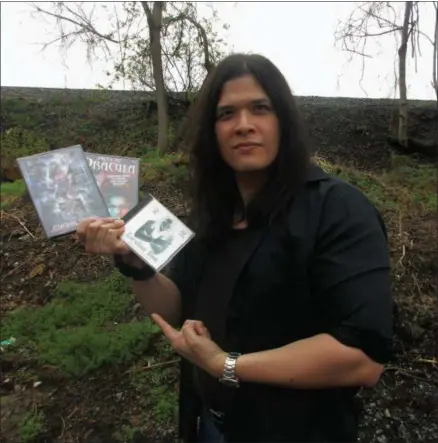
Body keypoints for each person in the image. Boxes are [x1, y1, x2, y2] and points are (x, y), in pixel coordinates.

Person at [76, 53, 393, 443]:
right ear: (212, 132)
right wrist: (132, 262)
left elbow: (362, 358)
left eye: (260, 108)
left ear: (284, 122)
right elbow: (175, 307)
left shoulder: (339, 210)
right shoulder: (211, 215)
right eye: (226, 114)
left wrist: (223, 364)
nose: (243, 125)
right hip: (209, 426)